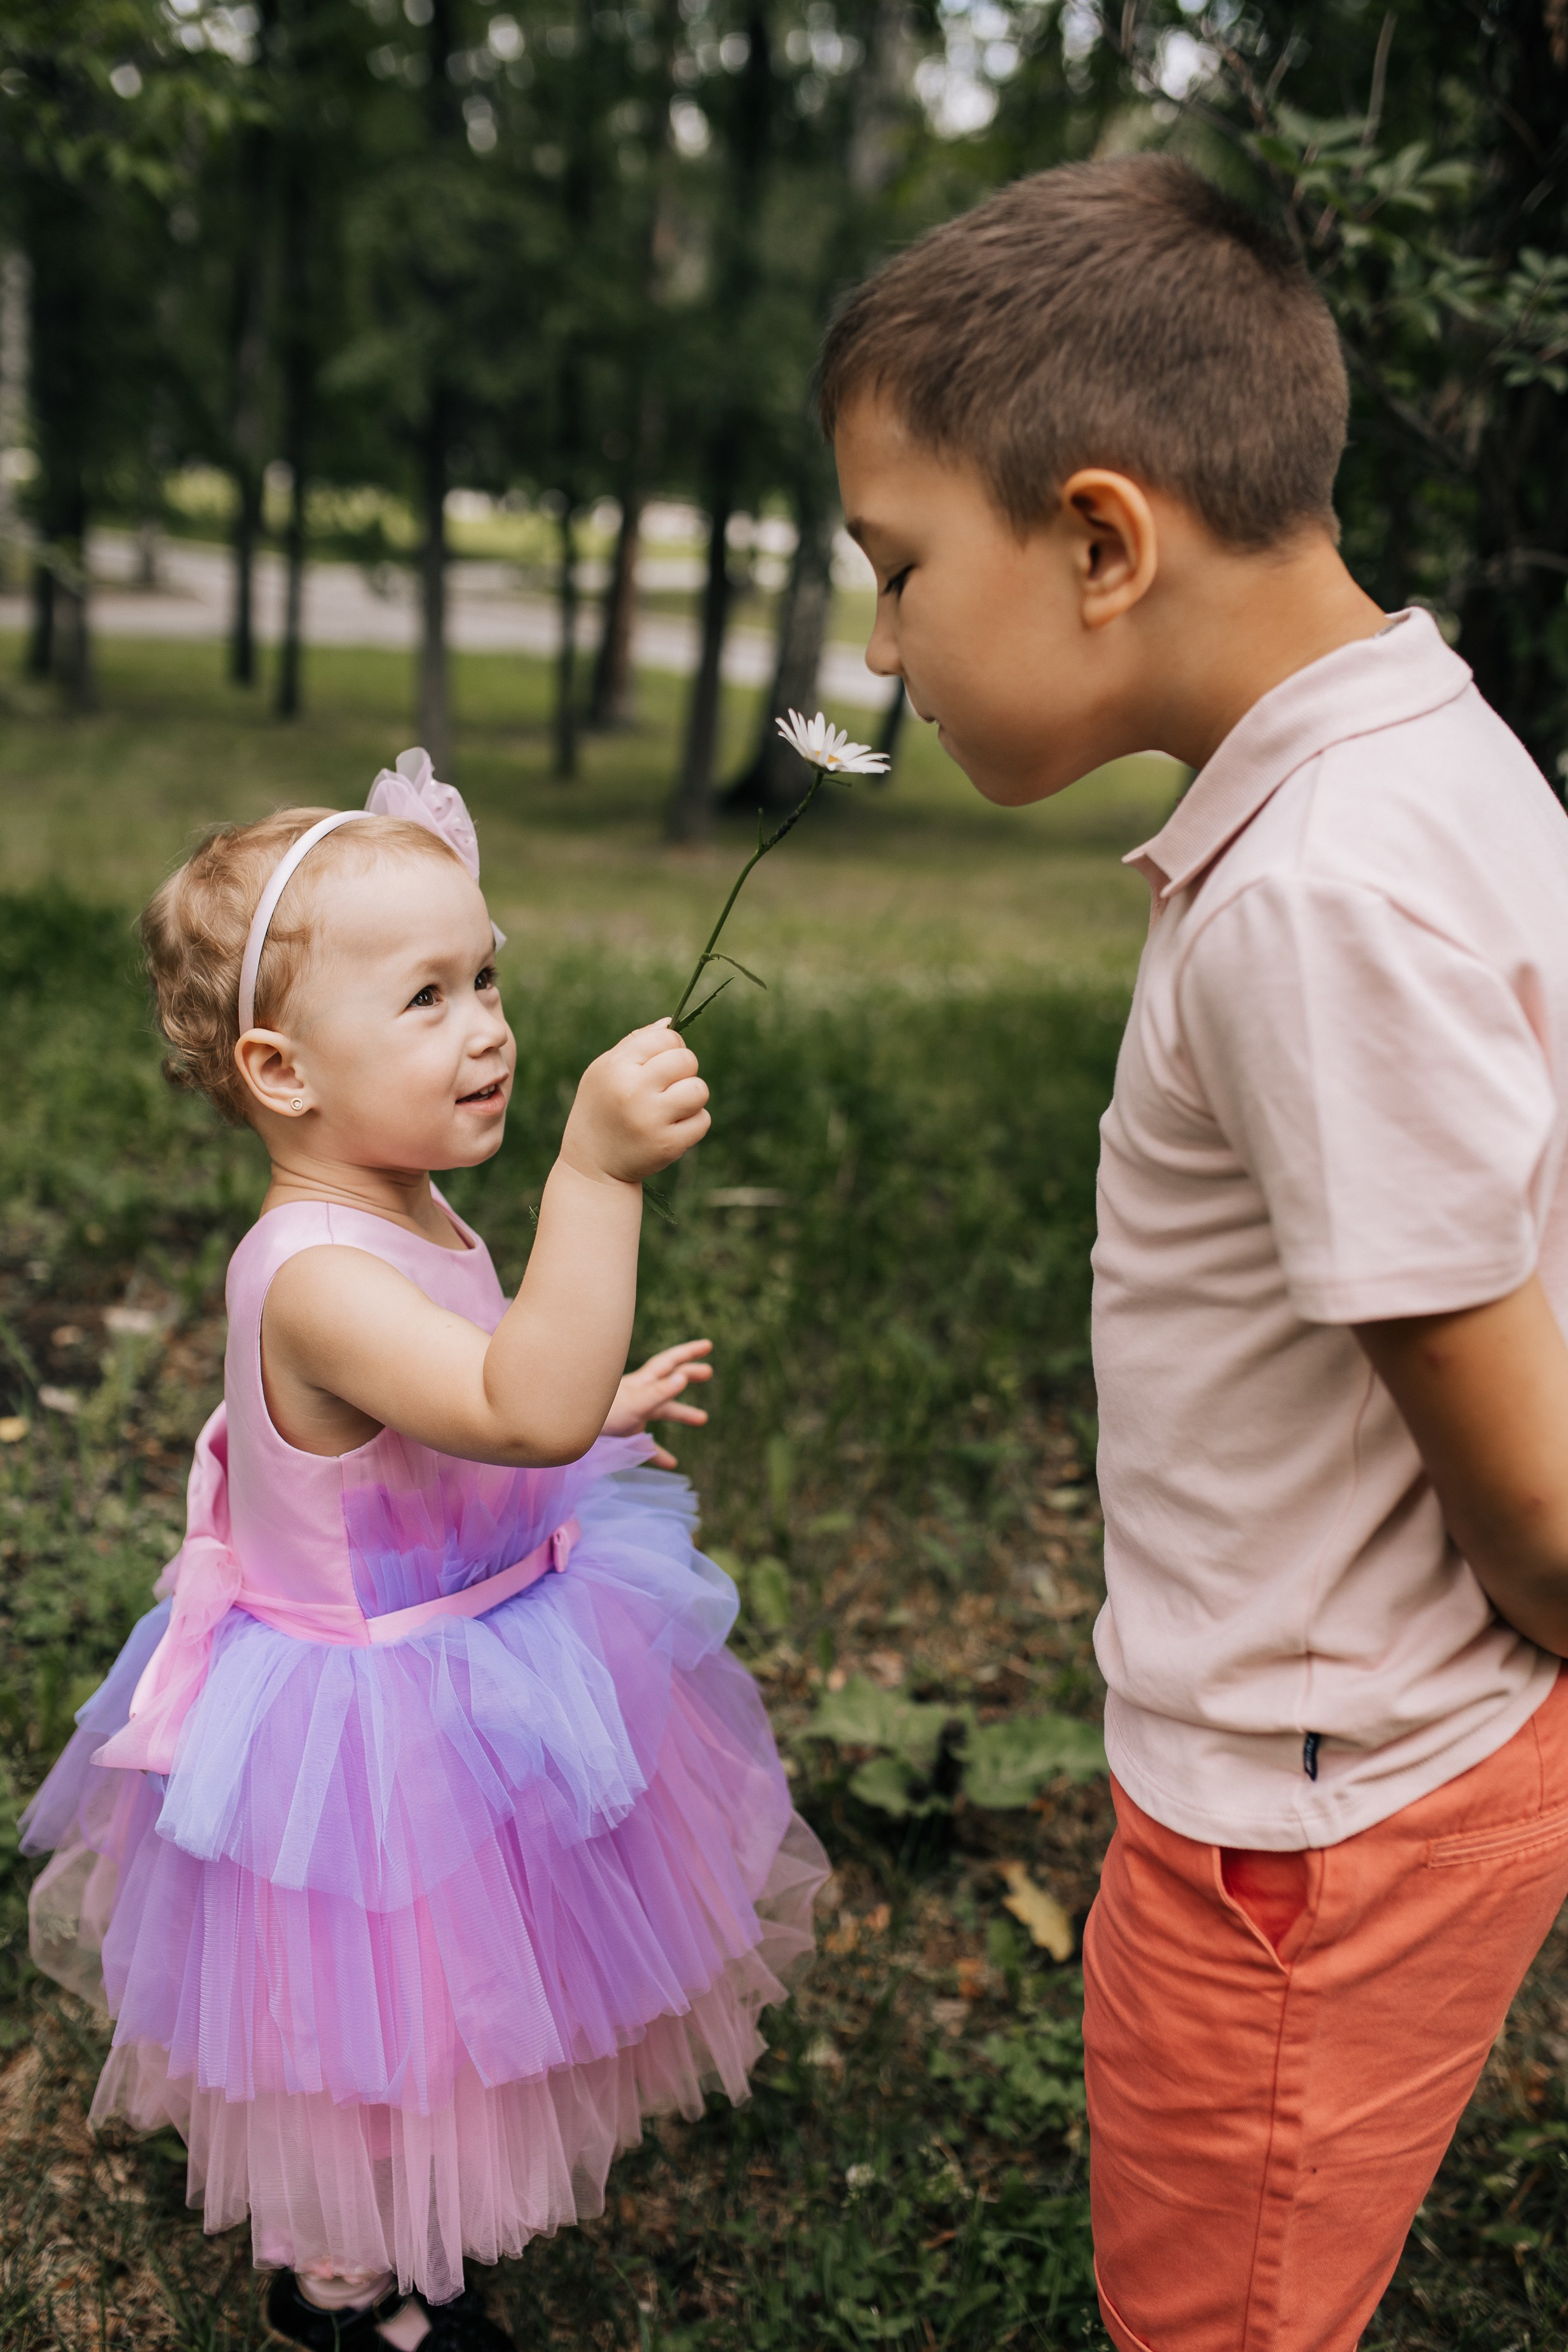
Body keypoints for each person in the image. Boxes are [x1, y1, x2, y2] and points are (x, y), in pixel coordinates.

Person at [819, 154, 1568, 2350]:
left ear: (1094, 538)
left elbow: (1519, 1491)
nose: (875, 647)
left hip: (1300, 1844)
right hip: (1376, 1774)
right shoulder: (1424, 758)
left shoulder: (1309, 902)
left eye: (892, 570)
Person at [20, 753, 826, 2350]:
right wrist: (593, 1180)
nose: (490, 1026)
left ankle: (418, 2242)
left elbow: (501, 1400)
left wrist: (595, 1405)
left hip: (479, 1649)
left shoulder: (406, 1206)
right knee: (360, 2031)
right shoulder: (312, 1272)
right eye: (428, 996)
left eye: (489, 977)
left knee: (463, 2008)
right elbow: (506, 1408)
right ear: (282, 1066)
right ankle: (343, 2293)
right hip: (367, 1723)